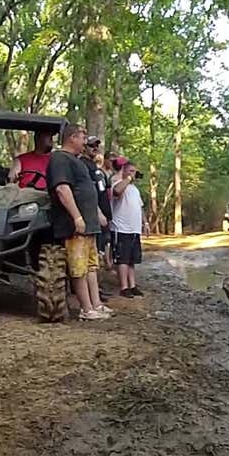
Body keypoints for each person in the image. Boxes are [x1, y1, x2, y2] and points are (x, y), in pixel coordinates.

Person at [46, 124, 111, 320]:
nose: (85, 142)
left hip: (89, 224)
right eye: (83, 137)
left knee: (91, 266)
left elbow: (88, 190)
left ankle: (96, 305)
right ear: (72, 138)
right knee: (79, 267)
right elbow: (62, 190)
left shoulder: (77, 161)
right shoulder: (60, 159)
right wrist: (77, 217)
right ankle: (86, 309)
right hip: (75, 225)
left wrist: (97, 213)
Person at [111, 159, 145, 298]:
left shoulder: (135, 190)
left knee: (132, 259)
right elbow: (117, 192)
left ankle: (132, 285)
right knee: (123, 259)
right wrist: (128, 178)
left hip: (134, 229)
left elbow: (140, 207)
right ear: (123, 171)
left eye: (134, 172)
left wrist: (145, 223)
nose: (133, 174)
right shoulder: (118, 184)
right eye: (130, 171)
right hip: (121, 229)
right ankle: (124, 287)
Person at [81, 136, 113, 269]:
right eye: (91, 145)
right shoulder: (82, 164)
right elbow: (86, 193)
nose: (95, 148)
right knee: (91, 254)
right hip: (93, 216)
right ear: (84, 147)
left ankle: (96, 285)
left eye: (97, 146)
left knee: (99, 250)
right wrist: (98, 212)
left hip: (104, 217)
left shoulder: (95, 167)